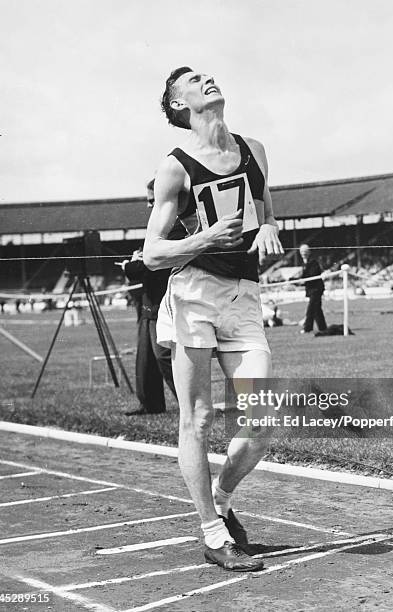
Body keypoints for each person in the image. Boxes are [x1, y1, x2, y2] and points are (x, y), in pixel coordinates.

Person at [143, 67, 283, 571]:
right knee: (198, 419)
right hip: (195, 294)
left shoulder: (255, 150)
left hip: (245, 295)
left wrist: (267, 227)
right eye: (193, 81)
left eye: (209, 75)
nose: (208, 80)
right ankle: (210, 532)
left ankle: (221, 502)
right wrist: (203, 239)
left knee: (262, 419)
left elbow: (267, 210)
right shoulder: (175, 168)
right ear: (179, 106)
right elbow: (152, 253)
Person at [121, 180, 178, 415]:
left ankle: (190, 403)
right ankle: (151, 404)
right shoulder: (158, 223)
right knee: (146, 359)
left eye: (152, 200)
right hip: (148, 300)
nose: (148, 205)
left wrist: (134, 265)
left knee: (163, 355)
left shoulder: (174, 224)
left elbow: (153, 263)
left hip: (162, 300)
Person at [298, 244, 327, 334]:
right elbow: (304, 276)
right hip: (311, 289)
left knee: (311, 309)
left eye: (305, 251)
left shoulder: (313, 262)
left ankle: (307, 328)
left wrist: (302, 280)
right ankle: (323, 328)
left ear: (309, 252)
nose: (304, 253)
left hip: (316, 289)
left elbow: (312, 275)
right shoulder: (304, 263)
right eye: (302, 252)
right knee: (317, 309)